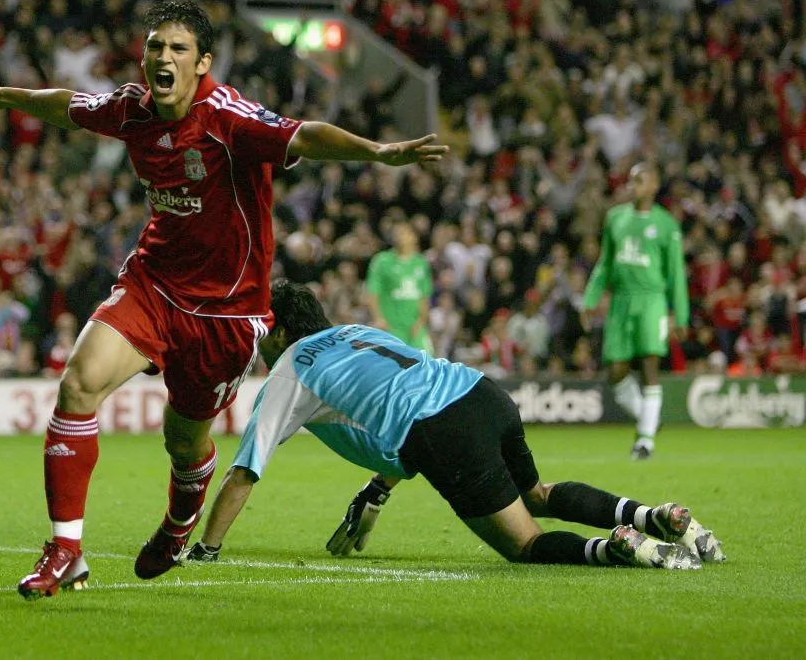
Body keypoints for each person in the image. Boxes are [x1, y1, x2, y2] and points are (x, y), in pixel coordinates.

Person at [0, 0, 448, 598]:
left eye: (177, 49)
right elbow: (66, 105)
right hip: (153, 284)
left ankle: (181, 516)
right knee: (78, 383)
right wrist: (4, 95)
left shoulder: (229, 117)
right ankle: (65, 550)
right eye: (155, 47)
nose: (162, 57)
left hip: (227, 313)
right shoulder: (132, 108)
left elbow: (304, 136)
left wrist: (377, 152)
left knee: (184, 441)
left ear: (202, 62)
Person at [185, 280, 723, 570]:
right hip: (482, 392)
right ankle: (655, 515)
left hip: (442, 429)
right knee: (535, 493)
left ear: (278, 331)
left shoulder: (292, 366)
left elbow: (245, 470)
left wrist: (205, 549)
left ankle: (618, 548)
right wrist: (377, 489)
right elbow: (396, 396)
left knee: (523, 544)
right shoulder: (357, 331)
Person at [581, 164, 689, 460]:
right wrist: (590, 298)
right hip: (621, 300)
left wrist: (679, 315)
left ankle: (645, 441)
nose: (633, 185)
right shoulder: (616, 217)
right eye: (631, 180)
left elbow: (676, 274)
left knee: (649, 365)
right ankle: (649, 417)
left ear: (654, 185)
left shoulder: (666, 225)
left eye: (640, 180)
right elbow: (605, 264)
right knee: (616, 371)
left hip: (651, 300)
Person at [366, 221, 434, 352]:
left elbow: (424, 296)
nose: (398, 236)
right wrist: (378, 319)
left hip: (414, 327)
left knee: (428, 363)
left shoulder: (421, 263)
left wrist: (421, 321)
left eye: (403, 232)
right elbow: (373, 293)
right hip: (391, 327)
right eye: (395, 233)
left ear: (413, 237)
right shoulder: (382, 261)